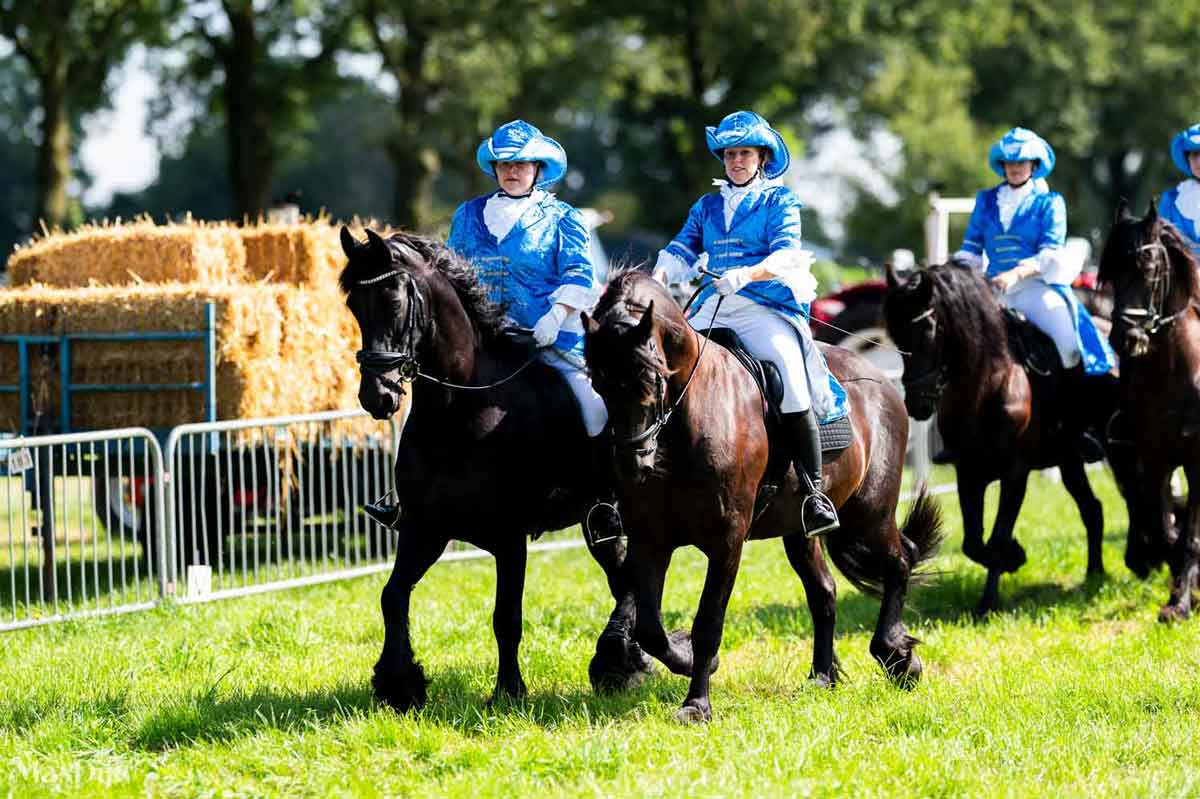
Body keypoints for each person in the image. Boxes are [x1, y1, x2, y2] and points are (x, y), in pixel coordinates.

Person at [652, 110, 845, 537]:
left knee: (792, 386)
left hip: (763, 307)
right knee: (660, 367)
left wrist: (746, 274)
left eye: (745, 154)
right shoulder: (707, 205)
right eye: (730, 154)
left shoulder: (780, 201)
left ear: (761, 157)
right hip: (712, 303)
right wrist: (659, 278)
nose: (736, 161)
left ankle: (814, 493)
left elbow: (784, 255)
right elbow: (681, 247)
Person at [440, 119, 621, 540]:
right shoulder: (468, 216)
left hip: (550, 339)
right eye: (505, 163)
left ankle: (602, 501)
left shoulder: (563, 217)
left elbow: (580, 274)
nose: (513, 170)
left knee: (593, 408)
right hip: (487, 344)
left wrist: (555, 316)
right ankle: (411, 499)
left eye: (522, 163)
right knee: (433, 405)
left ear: (538, 168)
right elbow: (451, 275)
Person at [952, 127, 1114, 459]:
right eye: (1009, 162)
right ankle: (958, 430)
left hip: (1033, 289)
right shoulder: (986, 200)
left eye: (1021, 162)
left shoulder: (1049, 202)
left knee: (1071, 346)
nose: (1014, 167)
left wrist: (1016, 273)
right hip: (991, 290)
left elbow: (1050, 253)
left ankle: (1079, 427)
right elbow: (969, 249)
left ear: (1034, 165)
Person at [1159, 123, 1200, 258]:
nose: (1199, 161)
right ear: (1188, 159)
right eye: (1194, 154)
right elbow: (1160, 245)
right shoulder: (1171, 199)